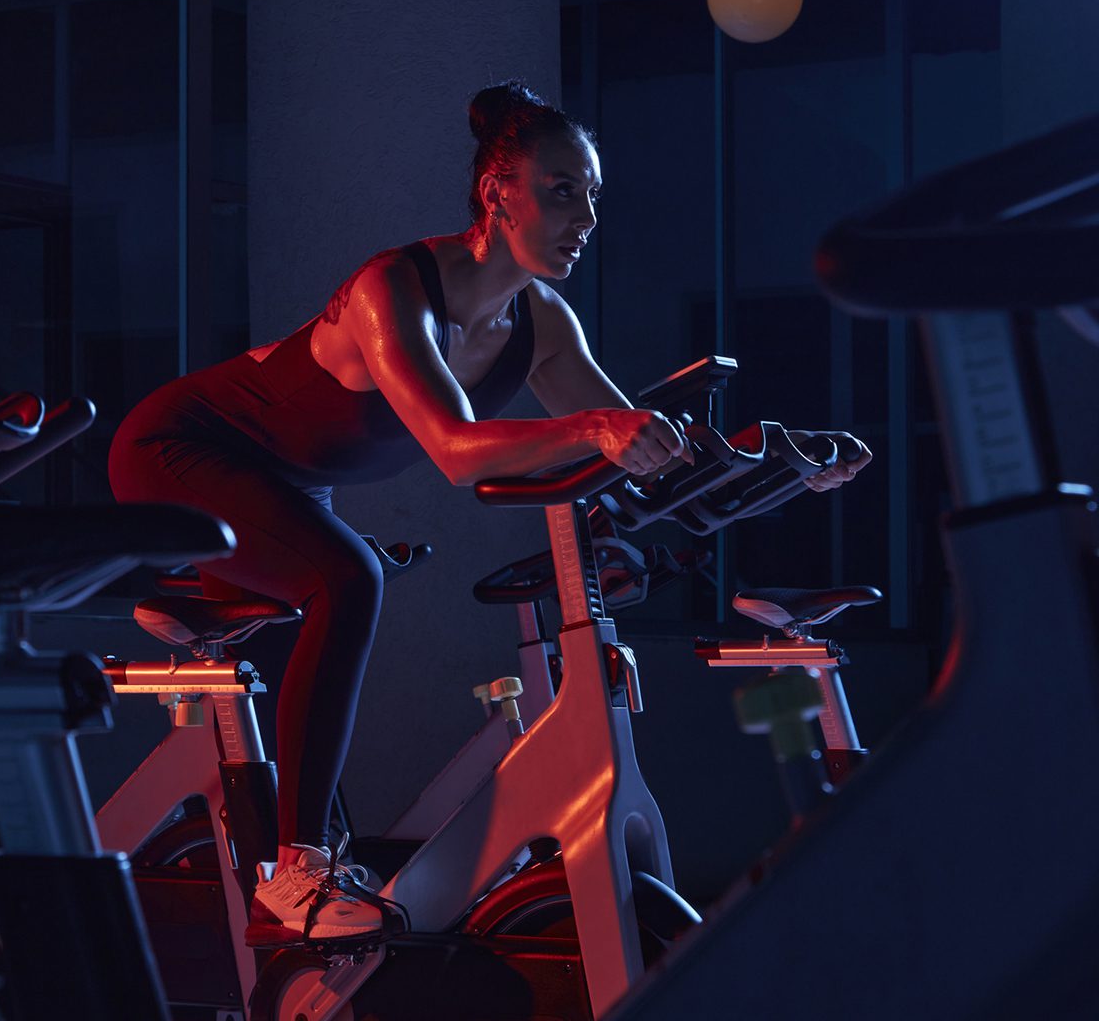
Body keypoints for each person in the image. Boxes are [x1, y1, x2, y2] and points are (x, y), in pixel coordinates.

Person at [107, 80, 871, 945]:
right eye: (560, 190)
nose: (583, 215)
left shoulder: (541, 322)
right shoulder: (392, 289)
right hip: (180, 452)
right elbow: (457, 449)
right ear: (497, 193)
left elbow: (638, 466)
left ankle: (308, 877)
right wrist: (594, 429)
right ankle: (295, 876)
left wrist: (785, 462)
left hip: (285, 487)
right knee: (346, 578)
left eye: (591, 196)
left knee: (338, 580)